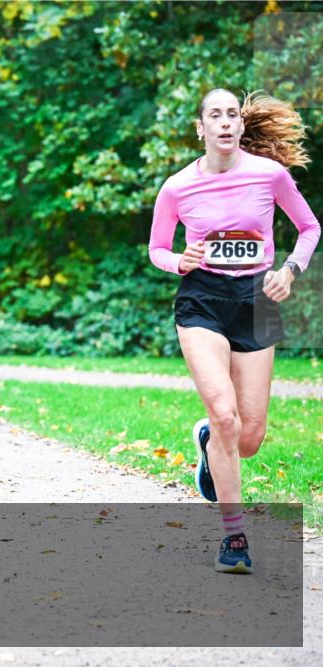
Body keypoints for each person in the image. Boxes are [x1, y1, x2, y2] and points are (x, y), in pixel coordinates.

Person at [149, 90, 319, 573]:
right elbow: (157, 248)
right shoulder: (177, 187)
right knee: (225, 416)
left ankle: (208, 444)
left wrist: (288, 270)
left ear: (241, 127)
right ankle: (234, 537)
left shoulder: (270, 175)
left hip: (259, 299)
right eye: (214, 116)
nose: (224, 123)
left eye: (231, 115)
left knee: (249, 436)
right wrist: (176, 261)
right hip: (201, 299)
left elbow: (309, 228)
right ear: (199, 128)